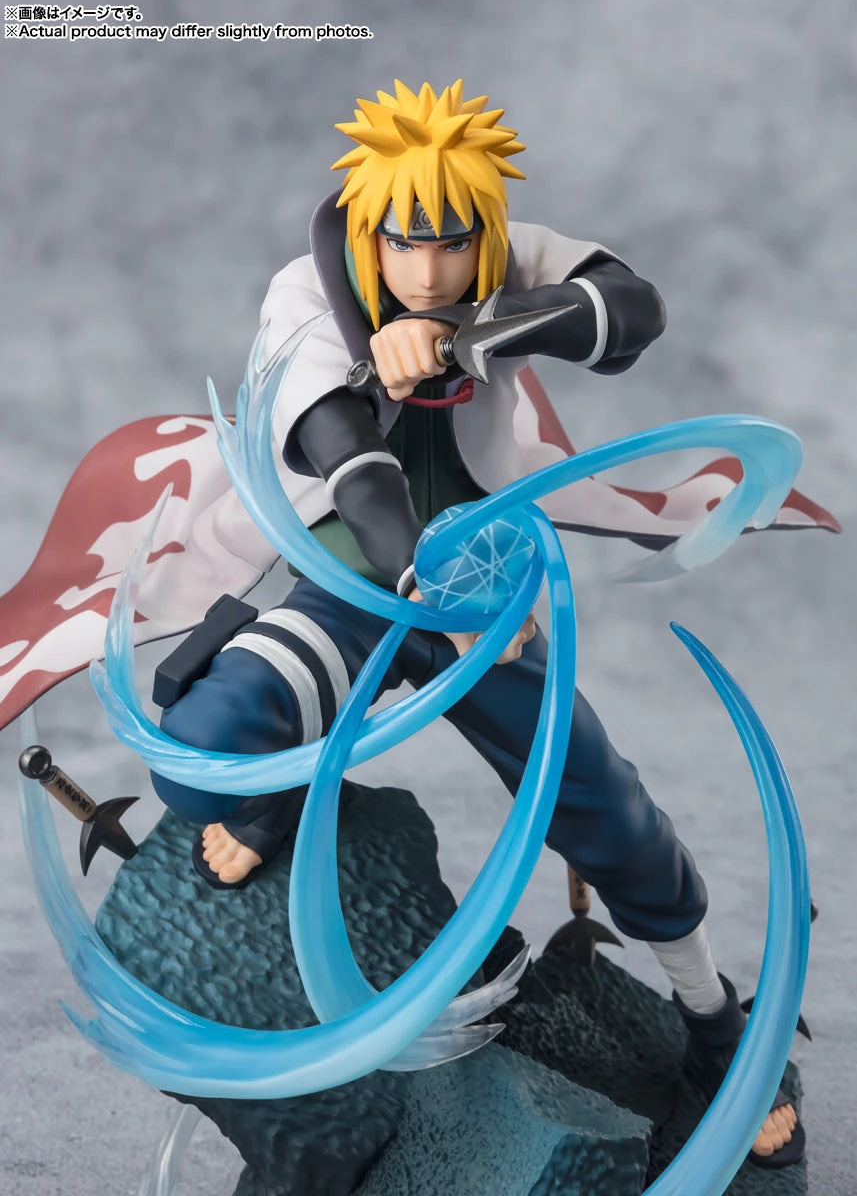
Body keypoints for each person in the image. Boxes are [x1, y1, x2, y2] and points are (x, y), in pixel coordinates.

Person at [148, 80, 802, 1166]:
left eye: (452, 245)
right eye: (405, 246)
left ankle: (714, 1024)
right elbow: (351, 467)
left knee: (606, 813)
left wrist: (469, 331)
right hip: (362, 582)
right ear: (368, 229)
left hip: (490, 586)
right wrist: (427, 583)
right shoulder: (304, 298)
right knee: (204, 746)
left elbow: (630, 309)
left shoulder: (500, 252)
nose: (429, 269)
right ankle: (280, 799)